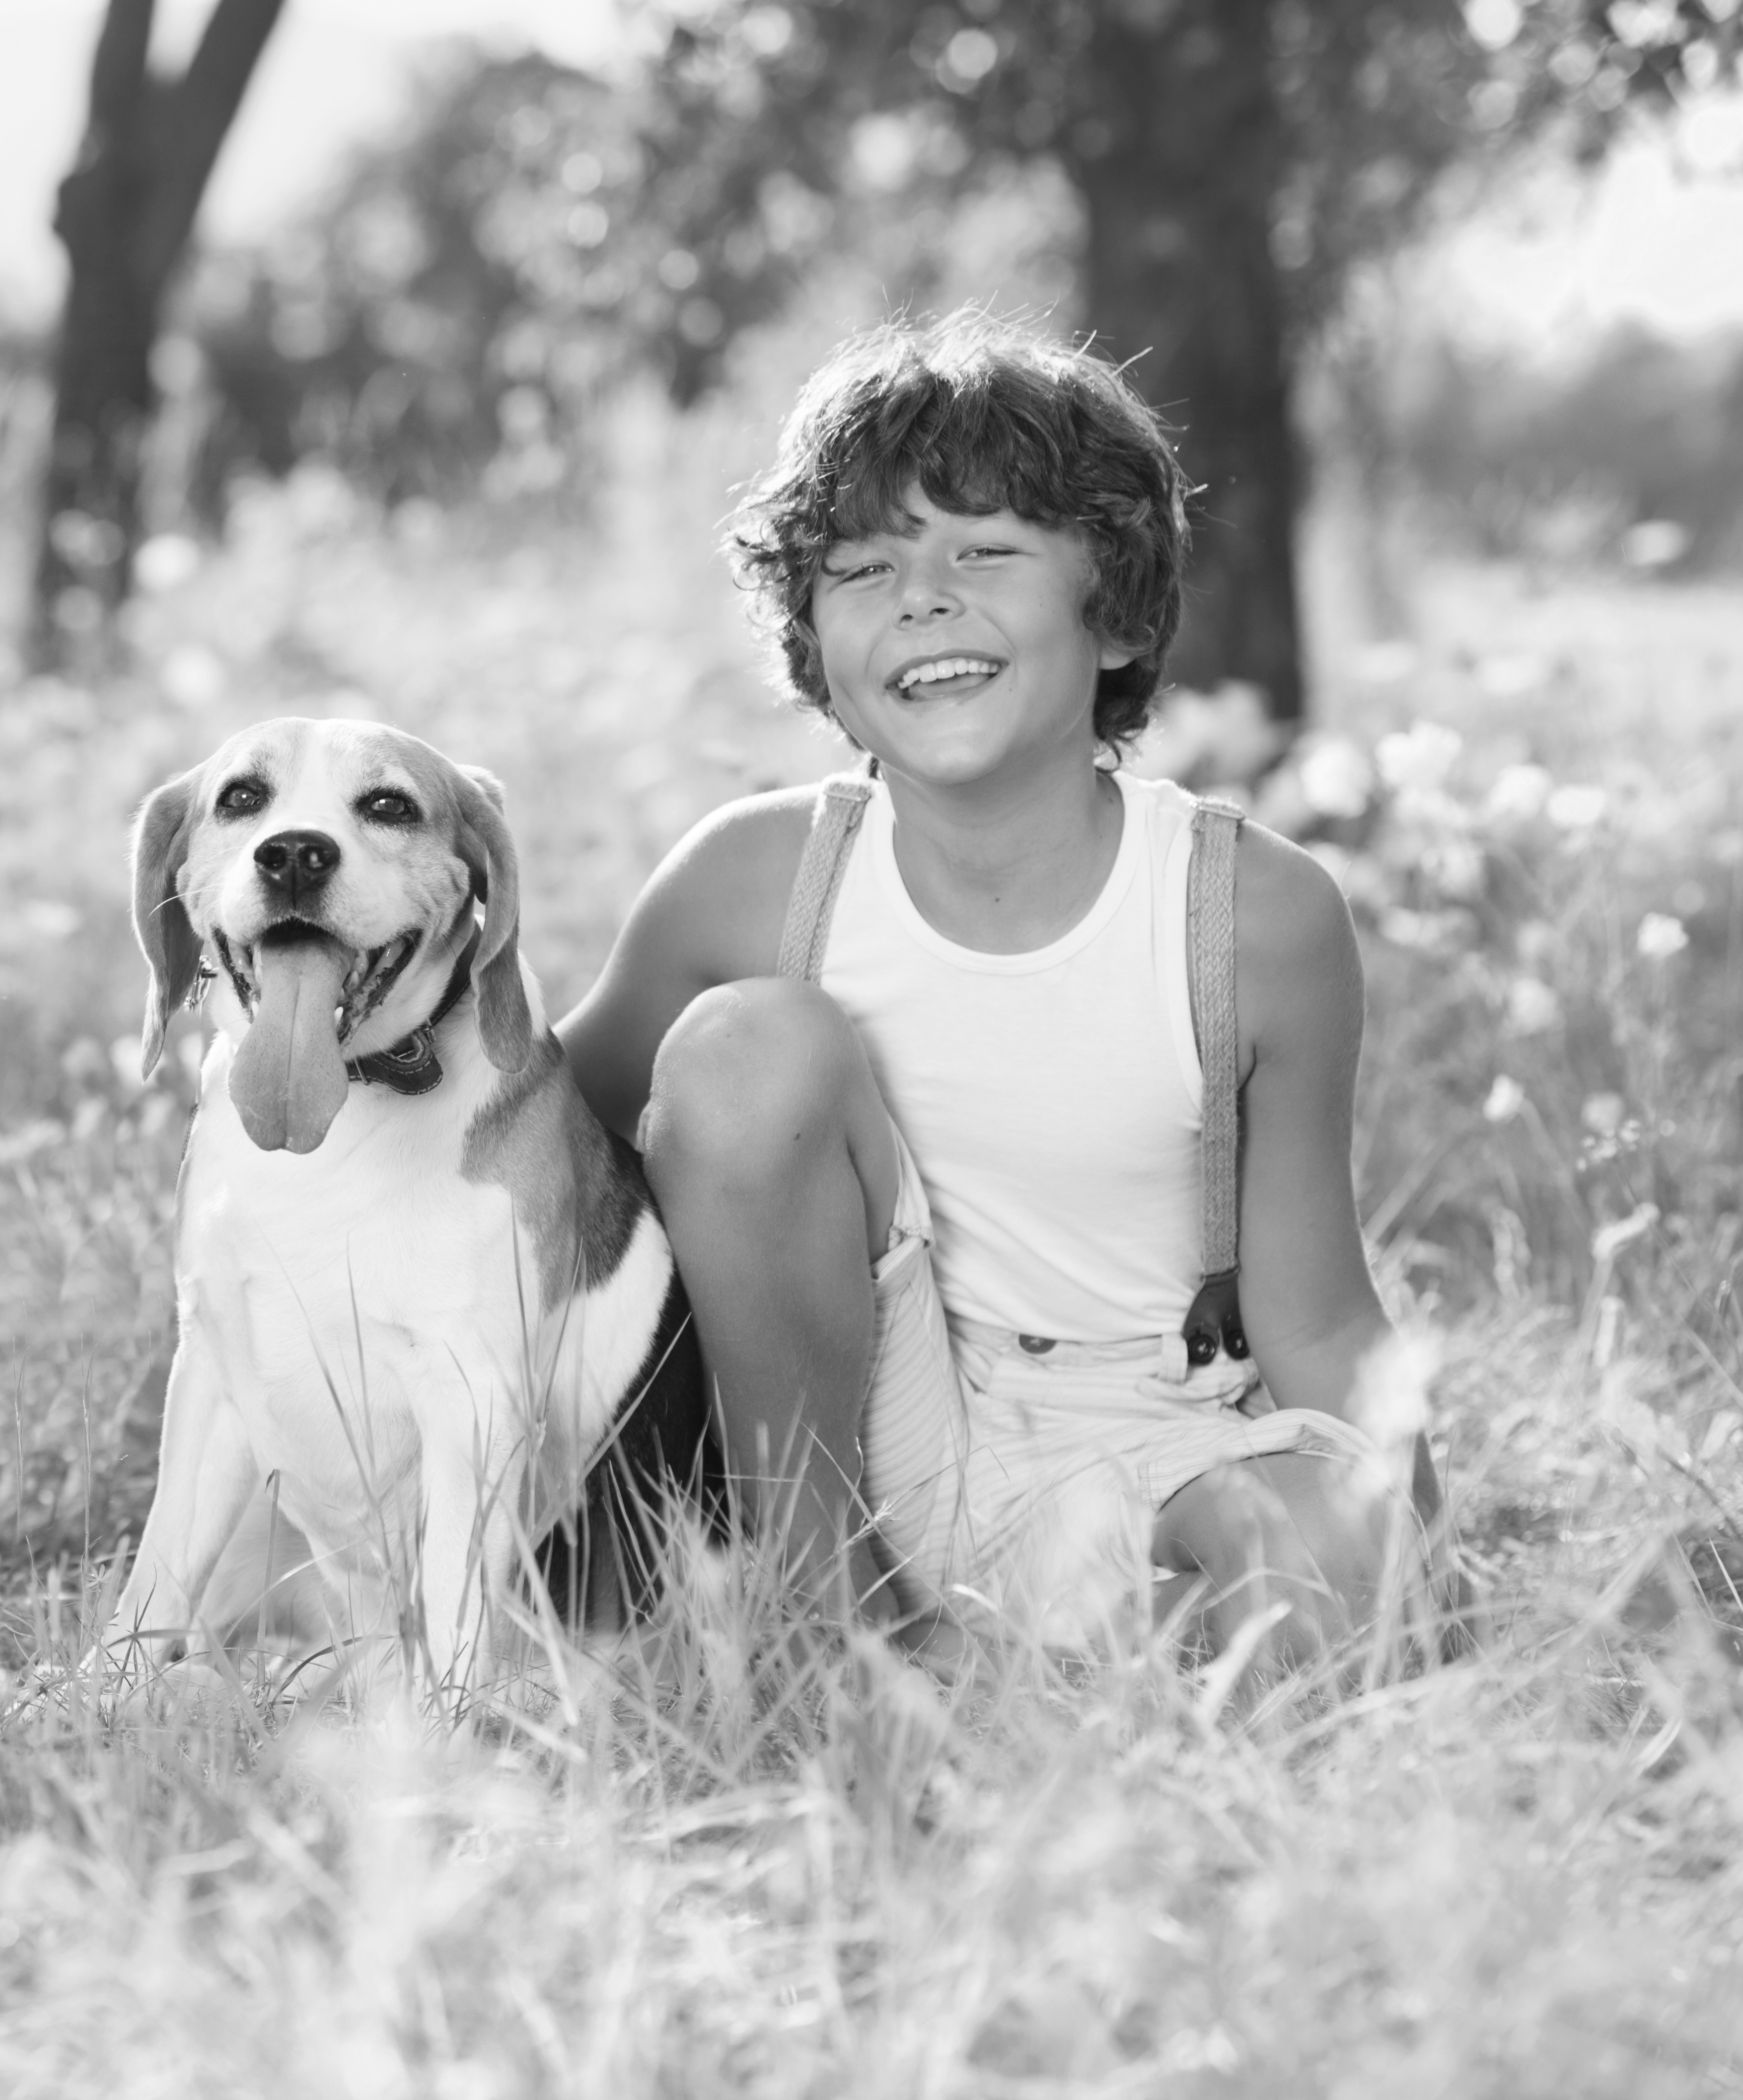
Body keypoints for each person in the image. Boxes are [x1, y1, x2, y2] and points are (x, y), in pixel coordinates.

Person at [558, 314, 1451, 1674]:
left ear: (1123, 613)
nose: (923, 596)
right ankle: (821, 1649)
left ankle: (1051, 1673)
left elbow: (1319, 1316)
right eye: (863, 566)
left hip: (1165, 1437)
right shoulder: (755, 883)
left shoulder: (1248, 914)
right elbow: (537, 1141)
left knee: (1337, 1554)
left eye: (985, 551)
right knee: (747, 1052)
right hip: (866, 1444)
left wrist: (1417, 1569)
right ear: (812, 644)